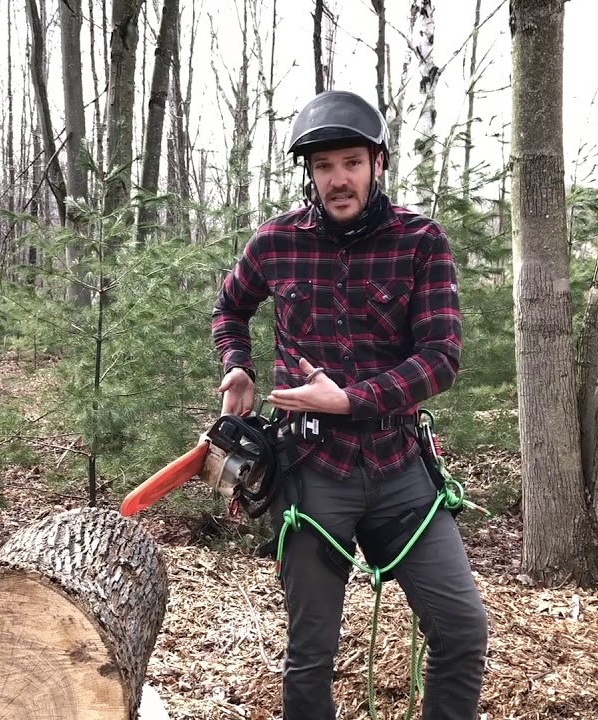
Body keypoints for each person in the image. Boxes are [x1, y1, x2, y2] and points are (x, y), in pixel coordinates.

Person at [210, 89, 488, 720]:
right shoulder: (277, 242)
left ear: (378, 163)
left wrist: (352, 400)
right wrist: (238, 366)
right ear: (310, 172)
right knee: (310, 655)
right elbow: (231, 306)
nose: (336, 179)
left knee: (463, 632)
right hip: (310, 473)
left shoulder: (420, 242)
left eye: (350, 163)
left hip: (399, 470)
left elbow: (441, 356)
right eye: (323, 166)